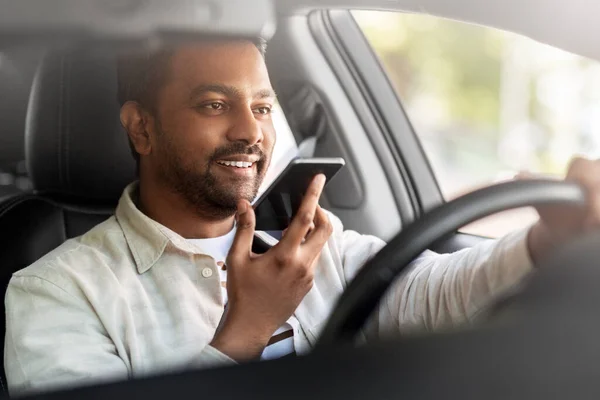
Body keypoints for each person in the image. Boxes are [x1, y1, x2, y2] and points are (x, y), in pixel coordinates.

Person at [5, 38, 600, 395]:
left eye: (262, 106)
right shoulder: (55, 291)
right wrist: (247, 329)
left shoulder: (312, 244)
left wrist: (546, 243)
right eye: (214, 104)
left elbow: (435, 295)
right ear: (141, 127)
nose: (250, 131)